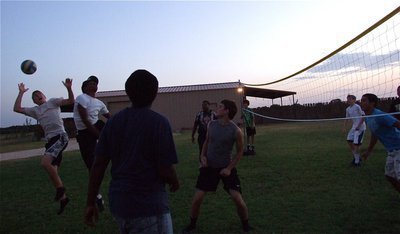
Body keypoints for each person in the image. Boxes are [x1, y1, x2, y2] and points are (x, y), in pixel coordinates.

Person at [84, 70, 180, 233]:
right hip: (148, 205)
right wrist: (175, 181)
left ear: (128, 92)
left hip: (120, 203)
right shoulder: (159, 122)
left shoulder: (113, 122)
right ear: (155, 93)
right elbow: (165, 168)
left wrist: (90, 202)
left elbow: (98, 164)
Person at [182, 99, 252, 233]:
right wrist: (202, 156)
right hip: (209, 168)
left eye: (220, 107)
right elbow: (206, 142)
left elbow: (239, 152)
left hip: (226, 168)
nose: (217, 109)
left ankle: (246, 225)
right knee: (197, 198)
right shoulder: (211, 125)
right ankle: (192, 225)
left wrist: (229, 169)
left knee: (237, 199)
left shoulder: (236, 131)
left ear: (227, 111)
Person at [13, 79, 74, 215]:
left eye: (39, 94)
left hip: (60, 137)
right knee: (53, 169)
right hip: (50, 141)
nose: (37, 96)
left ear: (44, 96)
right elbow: (16, 108)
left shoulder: (52, 102)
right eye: (34, 96)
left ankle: (60, 189)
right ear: (34, 101)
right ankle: (63, 199)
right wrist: (21, 93)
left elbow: (70, 101)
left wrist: (69, 88)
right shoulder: (35, 111)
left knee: (45, 163)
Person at [73, 75, 111, 211]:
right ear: (84, 87)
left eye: (95, 82)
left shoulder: (99, 103)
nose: (94, 84)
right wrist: (99, 136)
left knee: (107, 124)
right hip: (85, 133)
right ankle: (97, 196)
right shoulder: (81, 98)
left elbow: (109, 117)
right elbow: (85, 120)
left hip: (96, 127)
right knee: (93, 166)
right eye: (91, 83)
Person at [360, 93, 400, 194]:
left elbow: (398, 124)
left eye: (364, 100)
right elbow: (375, 134)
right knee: (389, 176)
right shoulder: (368, 117)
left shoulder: (379, 115)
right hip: (392, 150)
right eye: (361, 100)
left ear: (372, 103)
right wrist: (369, 151)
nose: (362, 103)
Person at [343, 95, 366, 167]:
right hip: (354, 128)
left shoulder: (357, 107)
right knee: (349, 140)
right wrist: (344, 127)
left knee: (356, 144)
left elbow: (363, 116)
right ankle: (357, 157)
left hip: (360, 128)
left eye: (350, 99)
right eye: (347, 99)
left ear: (354, 100)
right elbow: (347, 118)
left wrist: (359, 126)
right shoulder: (348, 109)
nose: (348, 100)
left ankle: (357, 162)